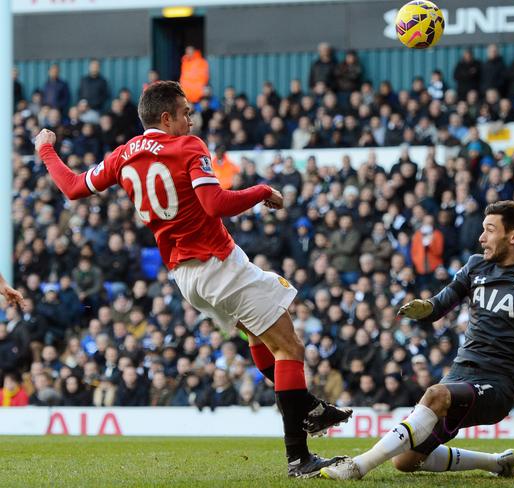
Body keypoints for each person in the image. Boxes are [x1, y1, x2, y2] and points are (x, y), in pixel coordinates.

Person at [34, 80, 350, 478]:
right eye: (185, 112)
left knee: (259, 337)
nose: (190, 119)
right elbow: (215, 203)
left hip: (186, 278)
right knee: (290, 349)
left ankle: (307, 409)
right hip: (218, 262)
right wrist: (262, 190)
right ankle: (300, 455)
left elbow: (74, 186)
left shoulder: (123, 155)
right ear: (165, 117)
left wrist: (46, 149)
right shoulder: (188, 146)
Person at [321, 201, 514, 480]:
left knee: (435, 394)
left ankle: (357, 466)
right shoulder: (476, 266)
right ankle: (497, 463)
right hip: (460, 373)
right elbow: (440, 304)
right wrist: (426, 308)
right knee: (405, 460)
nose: (481, 238)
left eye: (489, 230)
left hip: (499, 383)